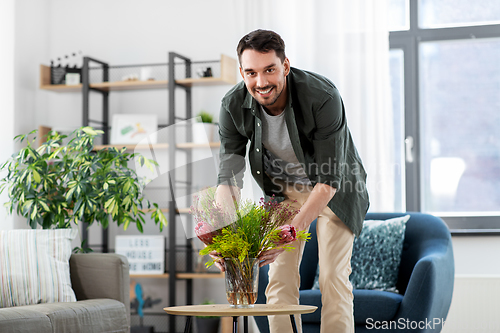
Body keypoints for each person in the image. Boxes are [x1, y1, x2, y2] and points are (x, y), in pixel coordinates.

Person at [214, 29, 369, 333]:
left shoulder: (322, 96)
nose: (261, 82)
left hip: (335, 191)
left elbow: (328, 181)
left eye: (269, 69)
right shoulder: (232, 105)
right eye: (251, 73)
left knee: (332, 277)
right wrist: (225, 240)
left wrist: (289, 233)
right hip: (284, 193)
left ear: (285, 66)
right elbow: (228, 179)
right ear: (242, 72)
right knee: (278, 279)